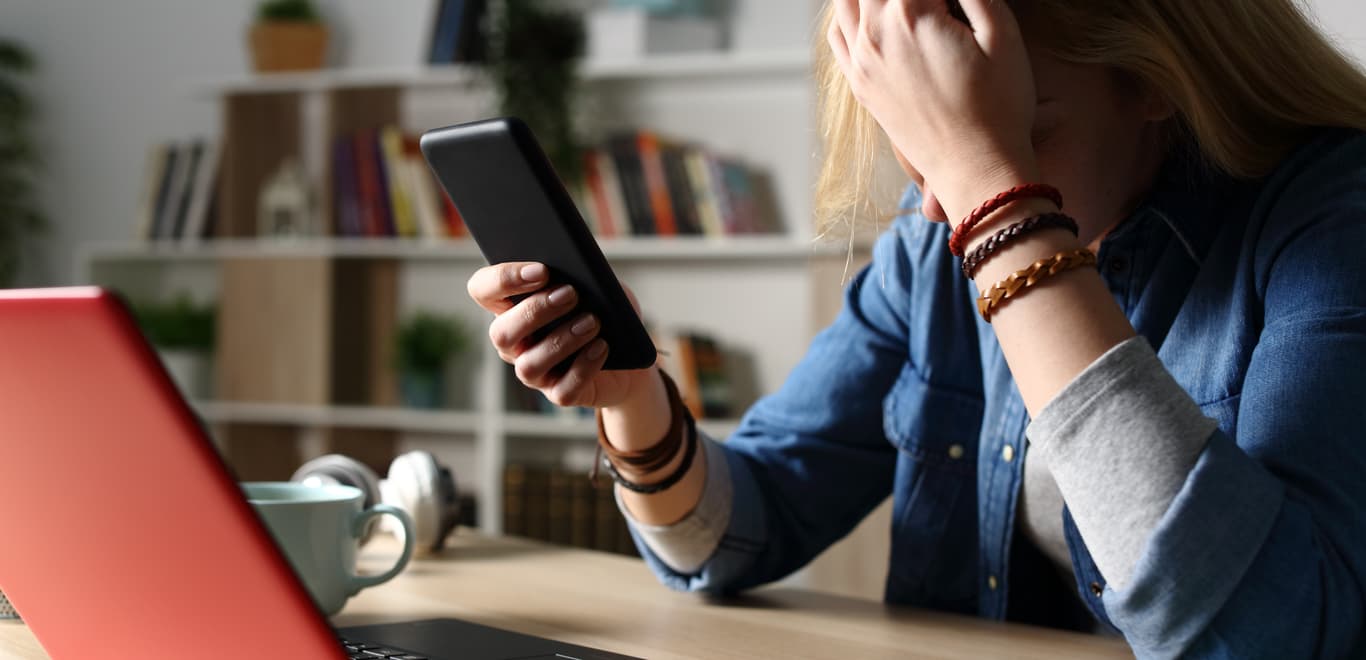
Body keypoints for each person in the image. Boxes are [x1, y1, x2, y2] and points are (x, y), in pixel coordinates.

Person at [466, 0, 1366, 657]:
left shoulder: (1333, 216)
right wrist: (631, 397)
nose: (941, 205)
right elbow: (738, 532)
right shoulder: (933, 238)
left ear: (1161, 79)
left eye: (1012, 132)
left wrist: (1000, 205)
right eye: (922, 140)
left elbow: (1273, 637)